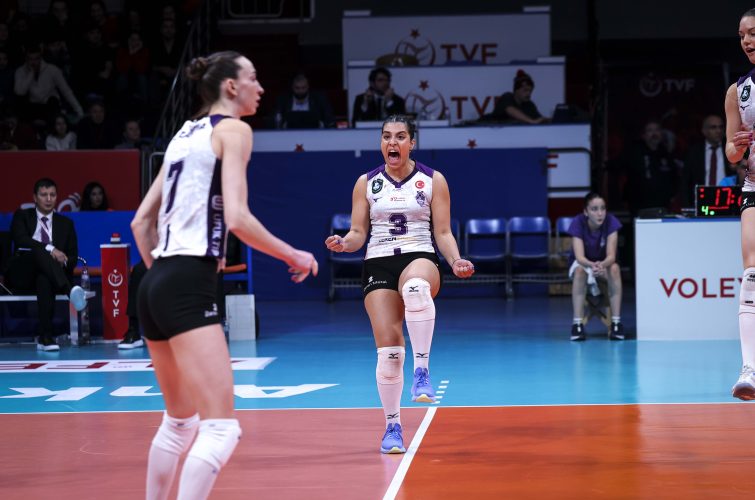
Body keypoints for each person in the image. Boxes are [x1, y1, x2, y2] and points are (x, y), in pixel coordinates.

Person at [130, 51, 318, 499]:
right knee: (220, 428)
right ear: (231, 86)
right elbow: (237, 218)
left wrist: (165, 281)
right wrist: (293, 254)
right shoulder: (234, 130)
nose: (261, 87)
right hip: (188, 278)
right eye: (253, 78)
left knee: (179, 423)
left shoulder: (183, 133)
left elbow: (140, 223)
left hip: (155, 282)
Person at [325, 115, 474, 454]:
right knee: (389, 353)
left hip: (419, 254)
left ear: (412, 143)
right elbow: (358, 232)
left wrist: (455, 260)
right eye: (386, 136)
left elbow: (443, 232)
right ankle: (392, 426)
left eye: (400, 136)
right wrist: (345, 243)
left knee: (416, 290)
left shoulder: (432, 180)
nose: (392, 142)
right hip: (378, 260)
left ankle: (421, 370)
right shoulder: (366, 182)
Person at [5, 177, 87, 351]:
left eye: (52, 195)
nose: (49, 199)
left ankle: (46, 337)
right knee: (39, 251)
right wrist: (50, 249)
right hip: (23, 274)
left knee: (44, 278)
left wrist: (63, 259)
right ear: (35, 197)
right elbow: (21, 240)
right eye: (44, 195)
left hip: (51, 277)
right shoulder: (22, 216)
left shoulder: (66, 224)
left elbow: (73, 257)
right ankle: (69, 291)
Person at [727, 8, 755, 401]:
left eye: (753, 33)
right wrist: (736, 146)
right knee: (752, 273)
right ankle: (749, 369)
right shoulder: (738, 91)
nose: (747, 41)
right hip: (754, 187)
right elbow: (731, 153)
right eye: (742, 36)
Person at [566, 192, 623, 341]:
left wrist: (601, 265)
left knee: (615, 269)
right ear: (586, 212)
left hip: (604, 265)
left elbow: (611, 256)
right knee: (580, 271)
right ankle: (577, 325)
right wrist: (592, 265)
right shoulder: (578, 222)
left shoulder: (611, 222)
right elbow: (579, 257)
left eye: (603, 208)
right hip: (583, 264)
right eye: (594, 209)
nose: (600, 213)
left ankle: (616, 324)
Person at [621, 119, 679, 215]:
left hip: (662, 206)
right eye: (650, 130)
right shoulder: (634, 152)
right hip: (639, 206)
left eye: (657, 130)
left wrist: (672, 195)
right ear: (644, 135)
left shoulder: (667, 155)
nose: (654, 133)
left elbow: (674, 177)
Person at [681, 114, 732, 207]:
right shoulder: (694, 152)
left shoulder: (731, 149)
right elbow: (685, 182)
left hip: (727, 200)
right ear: (704, 131)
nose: (718, 131)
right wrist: (687, 206)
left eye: (721, 127)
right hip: (700, 202)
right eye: (713, 127)